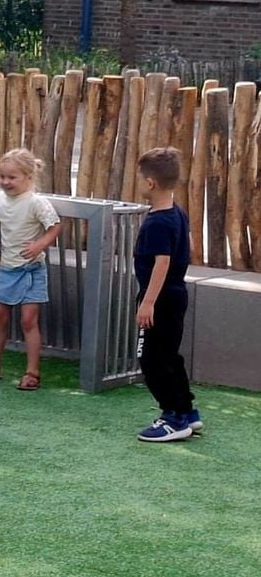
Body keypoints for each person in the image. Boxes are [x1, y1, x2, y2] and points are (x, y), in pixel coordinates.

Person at [132, 147, 202, 442]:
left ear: (150, 183)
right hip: (175, 296)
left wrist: (148, 302)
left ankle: (172, 417)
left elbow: (163, 262)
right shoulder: (176, 212)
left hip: (159, 299)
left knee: (150, 359)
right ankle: (187, 411)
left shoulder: (159, 221)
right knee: (169, 356)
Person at [0, 148, 62, 391]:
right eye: (3, 176)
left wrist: (40, 244)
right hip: (7, 268)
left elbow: (55, 226)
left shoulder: (36, 202)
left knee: (29, 320)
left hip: (32, 270)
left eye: (12, 177)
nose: (6, 182)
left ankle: (32, 371)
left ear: (29, 177)